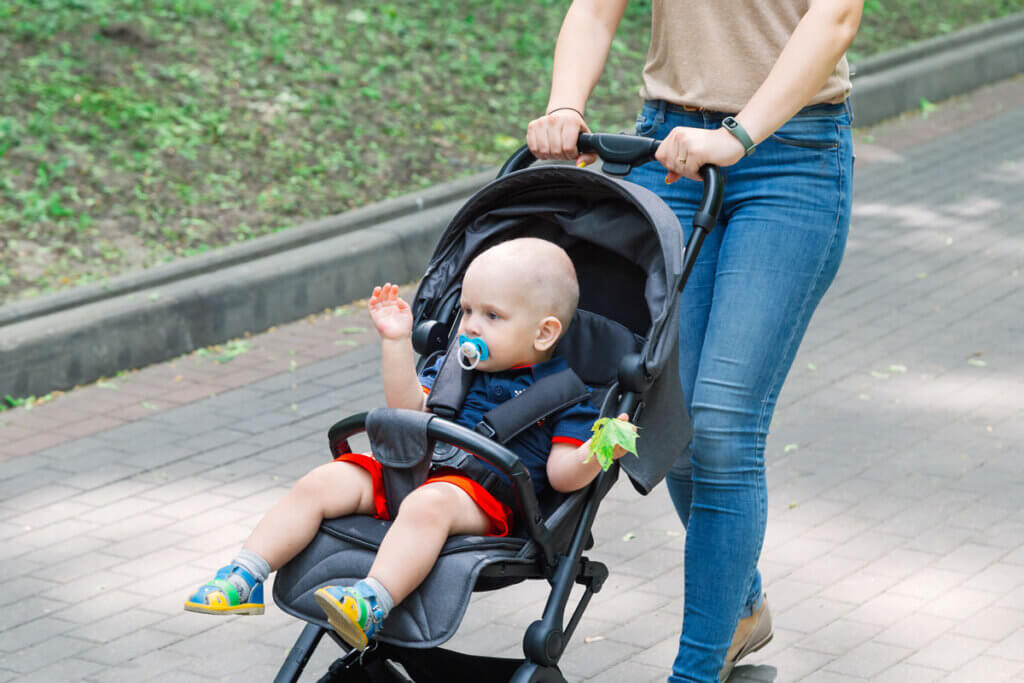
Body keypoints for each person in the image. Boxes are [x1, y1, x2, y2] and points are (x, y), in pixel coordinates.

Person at [526, 1, 862, 680]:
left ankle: (696, 669)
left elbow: (835, 19)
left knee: (723, 425)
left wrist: (740, 134)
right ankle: (740, 606)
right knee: (667, 424)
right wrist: (566, 105)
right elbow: (594, 10)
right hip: (671, 151)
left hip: (792, 157)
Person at [184, 237, 632, 650]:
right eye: (468, 310)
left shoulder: (567, 395)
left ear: (543, 333)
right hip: (417, 468)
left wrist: (598, 452)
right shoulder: (455, 366)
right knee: (327, 479)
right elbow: (408, 410)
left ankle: (372, 600)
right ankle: (245, 574)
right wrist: (396, 341)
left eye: (491, 316)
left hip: (480, 500)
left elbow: (560, 474)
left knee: (429, 504)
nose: (471, 325)